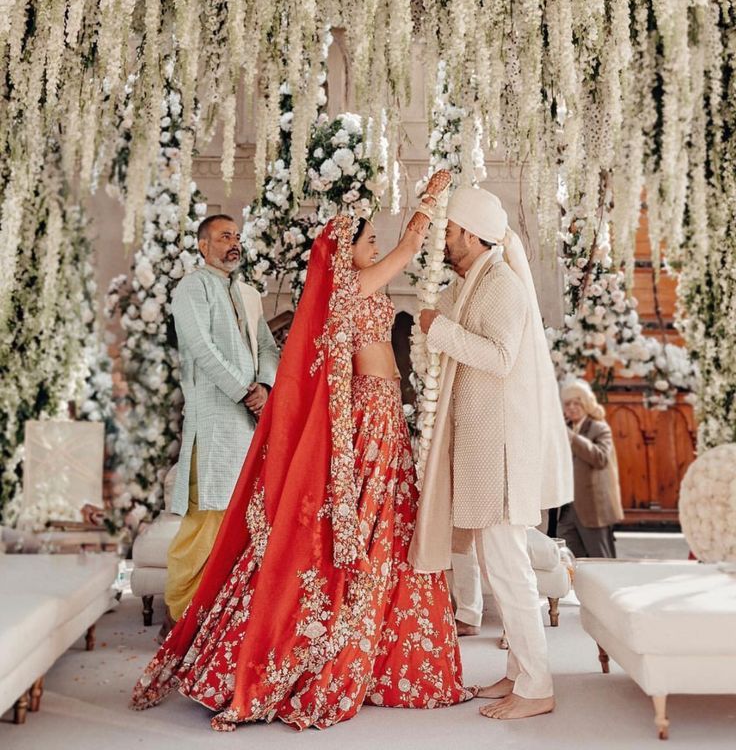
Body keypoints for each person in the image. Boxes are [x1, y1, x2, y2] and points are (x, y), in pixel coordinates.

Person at [132, 172, 472, 730]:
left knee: (392, 535)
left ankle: (386, 660)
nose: (374, 250)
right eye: (365, 243)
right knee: (358, 537)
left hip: (388, 419)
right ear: (342, 254)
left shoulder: (369, 285)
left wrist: (423, 214)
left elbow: (397, 256)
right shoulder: (345, 289)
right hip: (365, 422)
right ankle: (303, 654)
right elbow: (406, 248)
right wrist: (426, 207)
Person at [412, 186, 573, 722]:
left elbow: (500, 358)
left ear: (473, 233)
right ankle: (519, 671)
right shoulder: (474, 284)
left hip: (501, 450)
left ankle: (538, 686)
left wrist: (439, 331)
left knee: (508, 567)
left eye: (452, 233)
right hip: (481, 447)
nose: (446, 242)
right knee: (494, 562)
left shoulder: (502, 285)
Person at [163, 214, 280, 631]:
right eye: (223, 237)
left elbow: (267, 346)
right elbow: (201, 347)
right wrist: (243, 390)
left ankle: (223, 626)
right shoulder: (193, 287)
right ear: (202, 245)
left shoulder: (247, 293)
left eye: (236, 236)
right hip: (214, 421)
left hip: (250, 424)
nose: (233, 243)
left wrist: (265, 384)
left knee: (242, 521)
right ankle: (183, 620)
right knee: (204, 521)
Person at [558, 379, 623, 557]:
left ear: (586, 403)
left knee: (600, 560)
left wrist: (572, 438)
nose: (571, 407)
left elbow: (601, 458)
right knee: (569, 561)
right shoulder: (563, 430)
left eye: (576, 403)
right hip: (566, 511)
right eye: (567, 403)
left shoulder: (599, 428)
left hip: (592, 510)